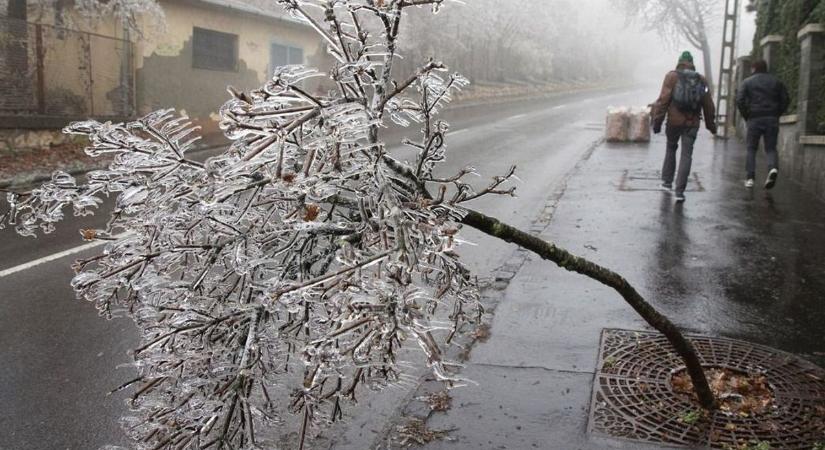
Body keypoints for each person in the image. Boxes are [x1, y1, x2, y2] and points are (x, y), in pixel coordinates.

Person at [652, 51, 717, 203]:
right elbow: (708, 105)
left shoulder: (671, 77)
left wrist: (657, 122)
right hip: (692, 123)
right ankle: (679, 192)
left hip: (674, 122)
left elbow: (663, 101)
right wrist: (711, 125)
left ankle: (667, 183)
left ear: (680, 62)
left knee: (671, 148)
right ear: (692, 63)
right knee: (686, 155)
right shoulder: (701, 80)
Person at [735, 59, 790, 189]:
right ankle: (772, 168)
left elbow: (740, 100)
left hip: (754, 118)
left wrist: (747, 115)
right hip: (772, 118)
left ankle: (750, 178)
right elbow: (786, 99)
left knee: (751, 148)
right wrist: (777, 113)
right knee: (770, 148)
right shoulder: (776, 81)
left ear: (754, 68)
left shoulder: (747, 82)